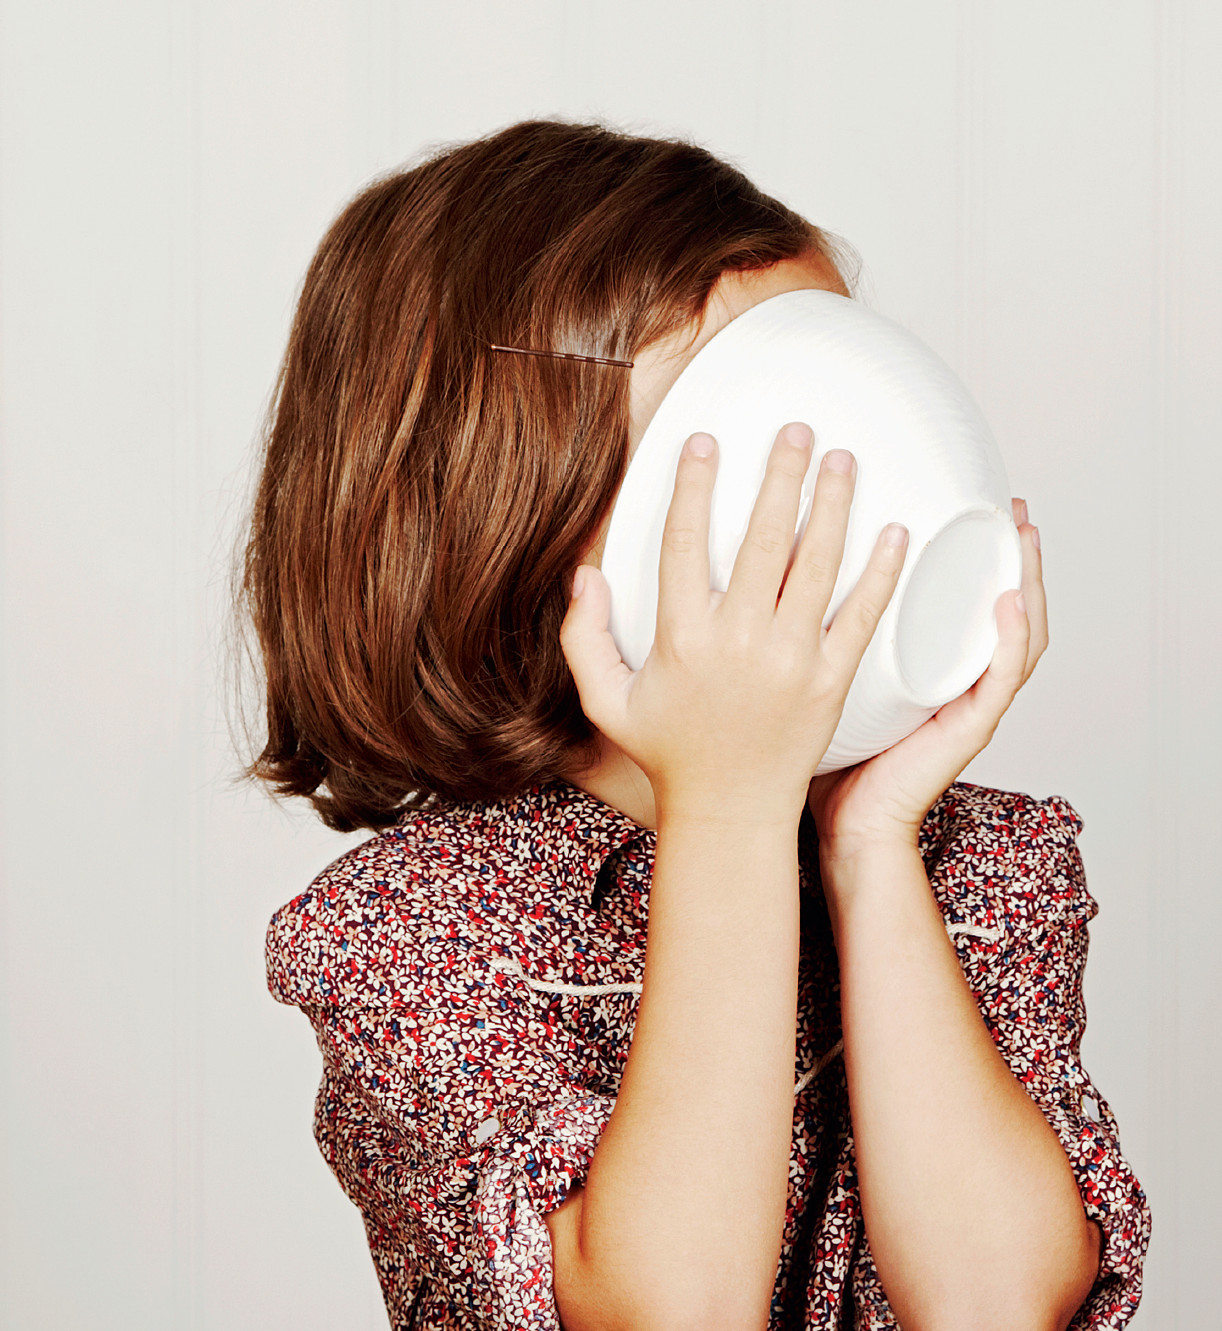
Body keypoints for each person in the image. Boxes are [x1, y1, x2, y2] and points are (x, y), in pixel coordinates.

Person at [238, 117, 1151, 1329]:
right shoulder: (411, 934)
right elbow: (670, 1309)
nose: (832, 499)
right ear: (492, 504)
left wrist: (869, 844)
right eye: (759, 443)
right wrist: (728, 808)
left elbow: (997, 1302)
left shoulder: (980, 864)